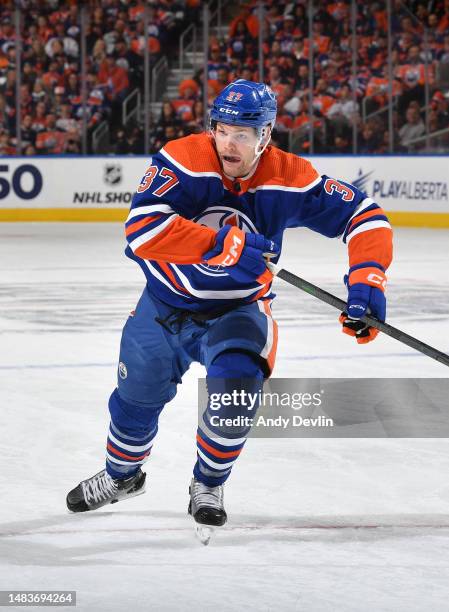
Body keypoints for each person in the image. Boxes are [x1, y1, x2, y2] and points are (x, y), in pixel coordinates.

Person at [67, 80, 393, 531]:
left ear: (265, 135)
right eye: (221, 129)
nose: (228, 143)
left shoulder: (290, 175)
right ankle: (122, 477)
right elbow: (141, 231)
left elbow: (365, 216)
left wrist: (367, 280)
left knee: (236, 400)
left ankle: (208, 482)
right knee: (132, 406)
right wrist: (222, 244)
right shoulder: (183, 159)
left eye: (242, 133)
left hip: (237, 311)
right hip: (162, 307)